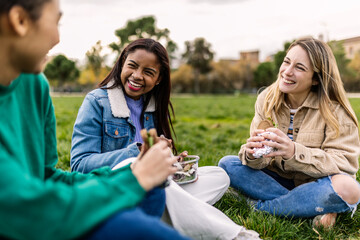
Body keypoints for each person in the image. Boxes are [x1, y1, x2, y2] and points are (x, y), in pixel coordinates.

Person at [0, 1, 192, 239]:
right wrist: (135, 176)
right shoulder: (97, 100)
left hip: (55, 211)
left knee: (157, 189)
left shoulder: (34, 85)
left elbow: (48, 176)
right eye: (55, 22)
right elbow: (30, 214)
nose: (57, 38)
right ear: (20, 21)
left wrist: (141, 170)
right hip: (33, 223)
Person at [70, 38, 261, 240]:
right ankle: (235, 235)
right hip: (111, 190)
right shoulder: (97, 102)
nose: (137, 76)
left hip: (150, 190)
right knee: (135, 165)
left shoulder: (153, 106)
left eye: (148, 72)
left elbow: (157, 163)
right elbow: (79, 165)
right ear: (122, 64)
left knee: (218, 175)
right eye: (132, 66)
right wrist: (138, 152)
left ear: (159, 79)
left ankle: (152, 218)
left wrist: (173, 163)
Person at [219, 37, 360, 229]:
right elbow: (260, 160)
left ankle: (259, 206)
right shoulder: (266, 99)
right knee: (227, 164)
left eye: (300, 68)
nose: (287, 71)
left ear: (316, 79)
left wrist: (294, 152)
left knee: (349, 188)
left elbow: (345, 163)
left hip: (316, 184)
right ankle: (308, 207)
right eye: (286, 62)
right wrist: (252, 154)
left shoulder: (336, 112)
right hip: (276, 180)